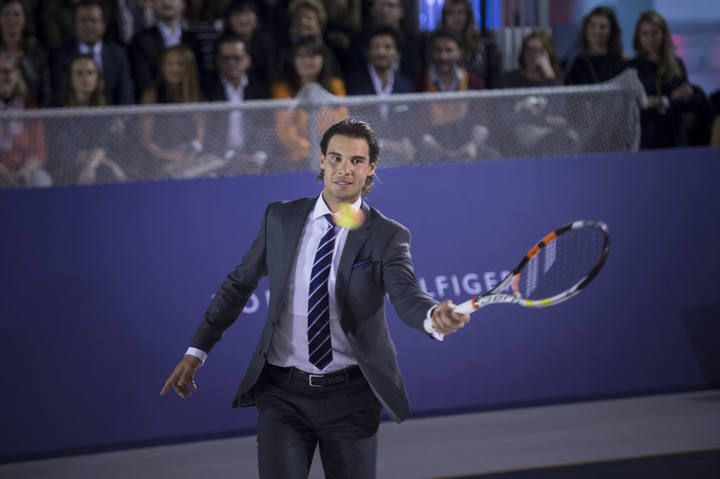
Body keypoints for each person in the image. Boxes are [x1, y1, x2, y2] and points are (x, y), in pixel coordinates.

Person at [160, 118, 471, 479]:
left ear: (371, 168)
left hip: (351, 399)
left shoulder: (388, 236)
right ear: (321, 160)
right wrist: (197, 352)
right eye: (335, 158)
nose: (344, 169)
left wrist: (433, 316)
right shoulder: (281, 218)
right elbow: (238, 285)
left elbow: (406, 294)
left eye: (356, 161)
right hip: (282, 394)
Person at [270, 35, 348, 169]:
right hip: (296, 159)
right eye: (301, 56)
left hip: (333, 156)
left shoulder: (336, 86)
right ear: (293, 60)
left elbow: (342, 123)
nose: (307, 61)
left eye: (313, 56)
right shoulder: (282, 89)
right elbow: (285, 132)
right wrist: (312, 151)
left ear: (323, 59)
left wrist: (327, 151)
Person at [51, 55, 128, 185]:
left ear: (97, 78)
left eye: (90, 73)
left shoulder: (104, 110)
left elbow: (102, 144)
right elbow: (64, 150)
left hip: (96, 166)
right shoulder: (56, 107)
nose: (85, 78)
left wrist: (91, 166)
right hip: (64, 167)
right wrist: (106, 163)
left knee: (106, 174)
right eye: (79, 73)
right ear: (70, 78)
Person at [346, 26, 416, 164]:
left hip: (398, 158)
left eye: (387, 47)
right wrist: (387, 145)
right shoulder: (353, 85)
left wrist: (406, 144)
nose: (381, 52)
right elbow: (354, 129)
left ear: (397, 54)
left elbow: (408, 126)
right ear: (368, 52)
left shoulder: (406, 86)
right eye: (376, 47)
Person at [626, 10, 696, 149]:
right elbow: (634, 107)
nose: (650, 39)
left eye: (655, 33)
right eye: (645, 33)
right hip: (645, 141)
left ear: (663, 34)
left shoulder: (677, 64)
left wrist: (656, 102)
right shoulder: (631, 68)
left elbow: (687, 102)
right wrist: (670, 99)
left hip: (675, 139)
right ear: (638, 37)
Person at [203, 33, 270, 174]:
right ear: (218, 61)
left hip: (254, 159)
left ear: (248, 59)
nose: (231, 63)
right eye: (225, 58)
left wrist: (259, 155)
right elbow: (207, 131)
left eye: (237, 58)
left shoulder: (260, 89)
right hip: (217, 159)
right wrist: (230, 156)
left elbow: (265, 127)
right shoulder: (206, 89)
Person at [50, 0, 134, 106]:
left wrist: (120, 120)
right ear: (75, 25)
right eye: (83, 21)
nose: (88, 26)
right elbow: (58, 94)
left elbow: (126, 95)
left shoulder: (118, 54)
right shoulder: (61, 55)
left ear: (104, 25)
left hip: (112, 119)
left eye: (93, 20)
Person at [140, 44, 206, 177]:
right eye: (169, 64)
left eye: (180, 64)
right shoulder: (152, 95)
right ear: (163, 67)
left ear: (188, 68)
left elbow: (200, 139)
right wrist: (169, 156)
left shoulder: (197, 97)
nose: (174, 69)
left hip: (188, 161)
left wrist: (190, 155)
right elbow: (145, 140)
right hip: (157, 161)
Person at [129, 0, 202, 100]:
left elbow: (199, 78)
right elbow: (143, 81)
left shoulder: (194, 40)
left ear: (184, 4)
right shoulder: (141, 41)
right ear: (152, 4)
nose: (167, 2)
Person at [0, 52, 50, 187]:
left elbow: (39, 151)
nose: (2, 77)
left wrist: (26, 170)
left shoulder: (29, 108)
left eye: (6, 72)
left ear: (17, 75)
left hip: (25, 168)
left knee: (41, 181)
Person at [440, 0, 501, 88]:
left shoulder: (483, 43)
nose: (457, 18)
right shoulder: (436, 44)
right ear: (444, 17)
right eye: (451, 13)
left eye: (461, 13)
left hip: (478, 94)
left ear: (468, 16)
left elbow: (491, 78)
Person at [0, 0, 50, 106]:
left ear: (24, 19)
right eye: (6, 14)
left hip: (31, 114)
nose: (11, 19)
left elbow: (44, 90)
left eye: (16, 14)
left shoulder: (36, 52)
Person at [564, 6, 625, 85]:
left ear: (612, 31)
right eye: (592, 25)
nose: (597, 31)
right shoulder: (575, 63)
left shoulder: (619, 62)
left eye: (603, 27)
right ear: (586, 28)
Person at [222, 0, 277, 86]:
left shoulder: (267, 42)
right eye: (237, 15)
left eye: (247, 14)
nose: (243, 19)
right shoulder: (222, 43)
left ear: (256, 17)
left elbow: (272, 74)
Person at [496, 31, 563, 88]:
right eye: (529, 50)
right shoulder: (508, 80)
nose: (532, 55)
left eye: (538, 50)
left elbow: (560, 101)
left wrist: (549, 72)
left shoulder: (553, 80)